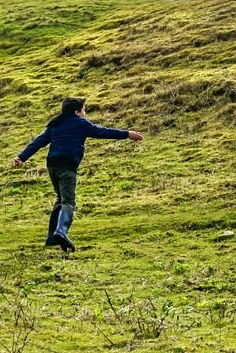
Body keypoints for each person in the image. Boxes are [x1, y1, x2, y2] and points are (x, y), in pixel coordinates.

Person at [12, 97, 143, 252]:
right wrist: (127, 134)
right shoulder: (80, 123)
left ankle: (51, 237)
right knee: (68, 202)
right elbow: (101, 132)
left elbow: (39, 141)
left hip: (52, 165)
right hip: (67, 165)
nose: (85, 113)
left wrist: (22, 157)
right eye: (84, 110)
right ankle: (61, 231)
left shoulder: (55, 123)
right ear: (77, 111)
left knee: (60, 199)